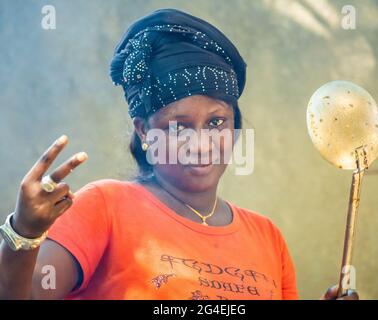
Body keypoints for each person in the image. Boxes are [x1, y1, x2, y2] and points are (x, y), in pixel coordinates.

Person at [0, 8, 358, 300]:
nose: (200, 142)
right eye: (178, 126)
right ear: (144, 132)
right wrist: (24, 233)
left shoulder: (268, 237)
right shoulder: (105, 206)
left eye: (216, 122)